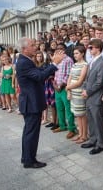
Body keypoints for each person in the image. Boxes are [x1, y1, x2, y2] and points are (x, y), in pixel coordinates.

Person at [16, 37, 64, 168]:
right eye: (32, 45)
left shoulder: (25, 60)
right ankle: (29, 161)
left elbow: (38, 73)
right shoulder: (24, 62)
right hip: (31, 103)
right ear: (24, 49)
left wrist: (50, 67)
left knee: (29, 132)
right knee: (31, 133)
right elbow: (39, 76)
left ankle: (26, 157)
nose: (35, 47)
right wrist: (54, 64)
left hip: (31, 102)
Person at [81, 39, 103, 155]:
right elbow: (87, 79)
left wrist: (88, 91)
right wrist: (84, 89)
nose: (89, 49)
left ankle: (101, 144)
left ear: (98, 48)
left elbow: (100, 81)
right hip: (89, 96)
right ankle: (93, 140)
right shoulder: (91, 61)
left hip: (96, 96)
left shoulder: (102, 62)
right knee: (91, 120)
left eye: (91, 47)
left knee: (98, 121)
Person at [52, 43, 76, 139]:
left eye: (61, 48)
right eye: (57, 49)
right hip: (56, 87)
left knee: (68, 109)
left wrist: (63, 84)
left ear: (65, 49)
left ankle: (71, 129)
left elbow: (70, 73)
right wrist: (54, 84)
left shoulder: (68, 60)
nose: (59, 50)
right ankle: (62, 125)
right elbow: (55, 73)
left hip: (65, 87)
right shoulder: (56, 59)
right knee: (59, 108)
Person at [66, 46, 88, 144]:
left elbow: (80, 81)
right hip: (73, 91)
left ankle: (84, 135)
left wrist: (68, 87)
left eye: (77, 53)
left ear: (82, 53)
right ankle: (80, 134)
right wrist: (69, 91)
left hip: (80, 92)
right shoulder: (74, 65)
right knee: (77, 115)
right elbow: (69, 78)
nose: (75, 55)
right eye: (74, 53)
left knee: (82, 115)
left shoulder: (85, 65)